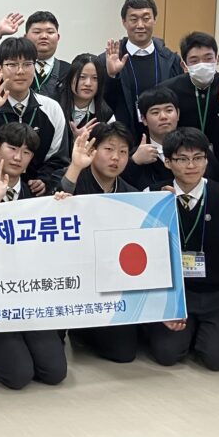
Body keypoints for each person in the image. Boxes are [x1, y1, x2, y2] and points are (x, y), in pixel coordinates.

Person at [143, 128, 219, 370]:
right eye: (182, 159)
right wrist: (159, 211)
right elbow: (142, 252)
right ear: (167, 162)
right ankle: (190, 331)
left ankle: (205, 330)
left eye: (198, 158)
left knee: (218, 359)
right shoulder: (152, 195)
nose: (191, 165)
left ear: (207, 160)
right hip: (176, 292)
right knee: (167, 354)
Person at [0, 123, 67, 389]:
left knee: (54, 372)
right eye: (12, 148)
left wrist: (63, 208)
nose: (18, 157)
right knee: (19, 375)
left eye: (26, 152)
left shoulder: (39, 197)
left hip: (29, 297)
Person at [58, 123, 140, 363]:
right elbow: (52, 205)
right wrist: (75, 167)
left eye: (123, 152)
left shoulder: (132, 195)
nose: (116, 157)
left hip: (111, 281)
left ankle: (88, 331)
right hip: (71, 277)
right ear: (93, 150)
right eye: (109, 149)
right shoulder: (73, 177)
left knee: (124, 353)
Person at [0, 36, 69, 193]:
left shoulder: (51, 109)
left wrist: (44, 180)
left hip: (31, 196)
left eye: (27, 64)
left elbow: (58, 159)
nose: (20, 71)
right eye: (12, 65)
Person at [156, 32, 219, 181]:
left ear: (217, 59)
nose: (202, 64)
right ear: (184, 65)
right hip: (184, 160)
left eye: (208, 58)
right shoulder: (169, 89)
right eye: (194, 60)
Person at [100, 0, 184, 136]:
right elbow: (103, 104)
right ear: (124, 22)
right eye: (133, 19)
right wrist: (111, 76)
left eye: (146, 19)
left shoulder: (171, 60)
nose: (140, 25)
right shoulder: (107, 60)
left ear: (154, 19)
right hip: (124, 138)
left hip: (164, 138)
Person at [122, 87, 216, 191]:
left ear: (178, 114)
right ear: (144, 119)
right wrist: (134, 162)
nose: (163, 117)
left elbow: (215, 183)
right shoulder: (136, 156)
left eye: (169, 110)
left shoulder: (197, 148)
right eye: (155, 112)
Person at [56, 52, 113, 146]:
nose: (88, 83)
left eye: (95, 78)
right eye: (82, 77)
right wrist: (73, 140)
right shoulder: (55, 106)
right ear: (70, 78)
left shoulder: (106, 113)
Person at [22, 11, 70, 100]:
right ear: (25, 37)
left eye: (50, 32)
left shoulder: (69, 71)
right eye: (37, 32)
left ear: (58, 37)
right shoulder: (15, 68)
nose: (44, 36)